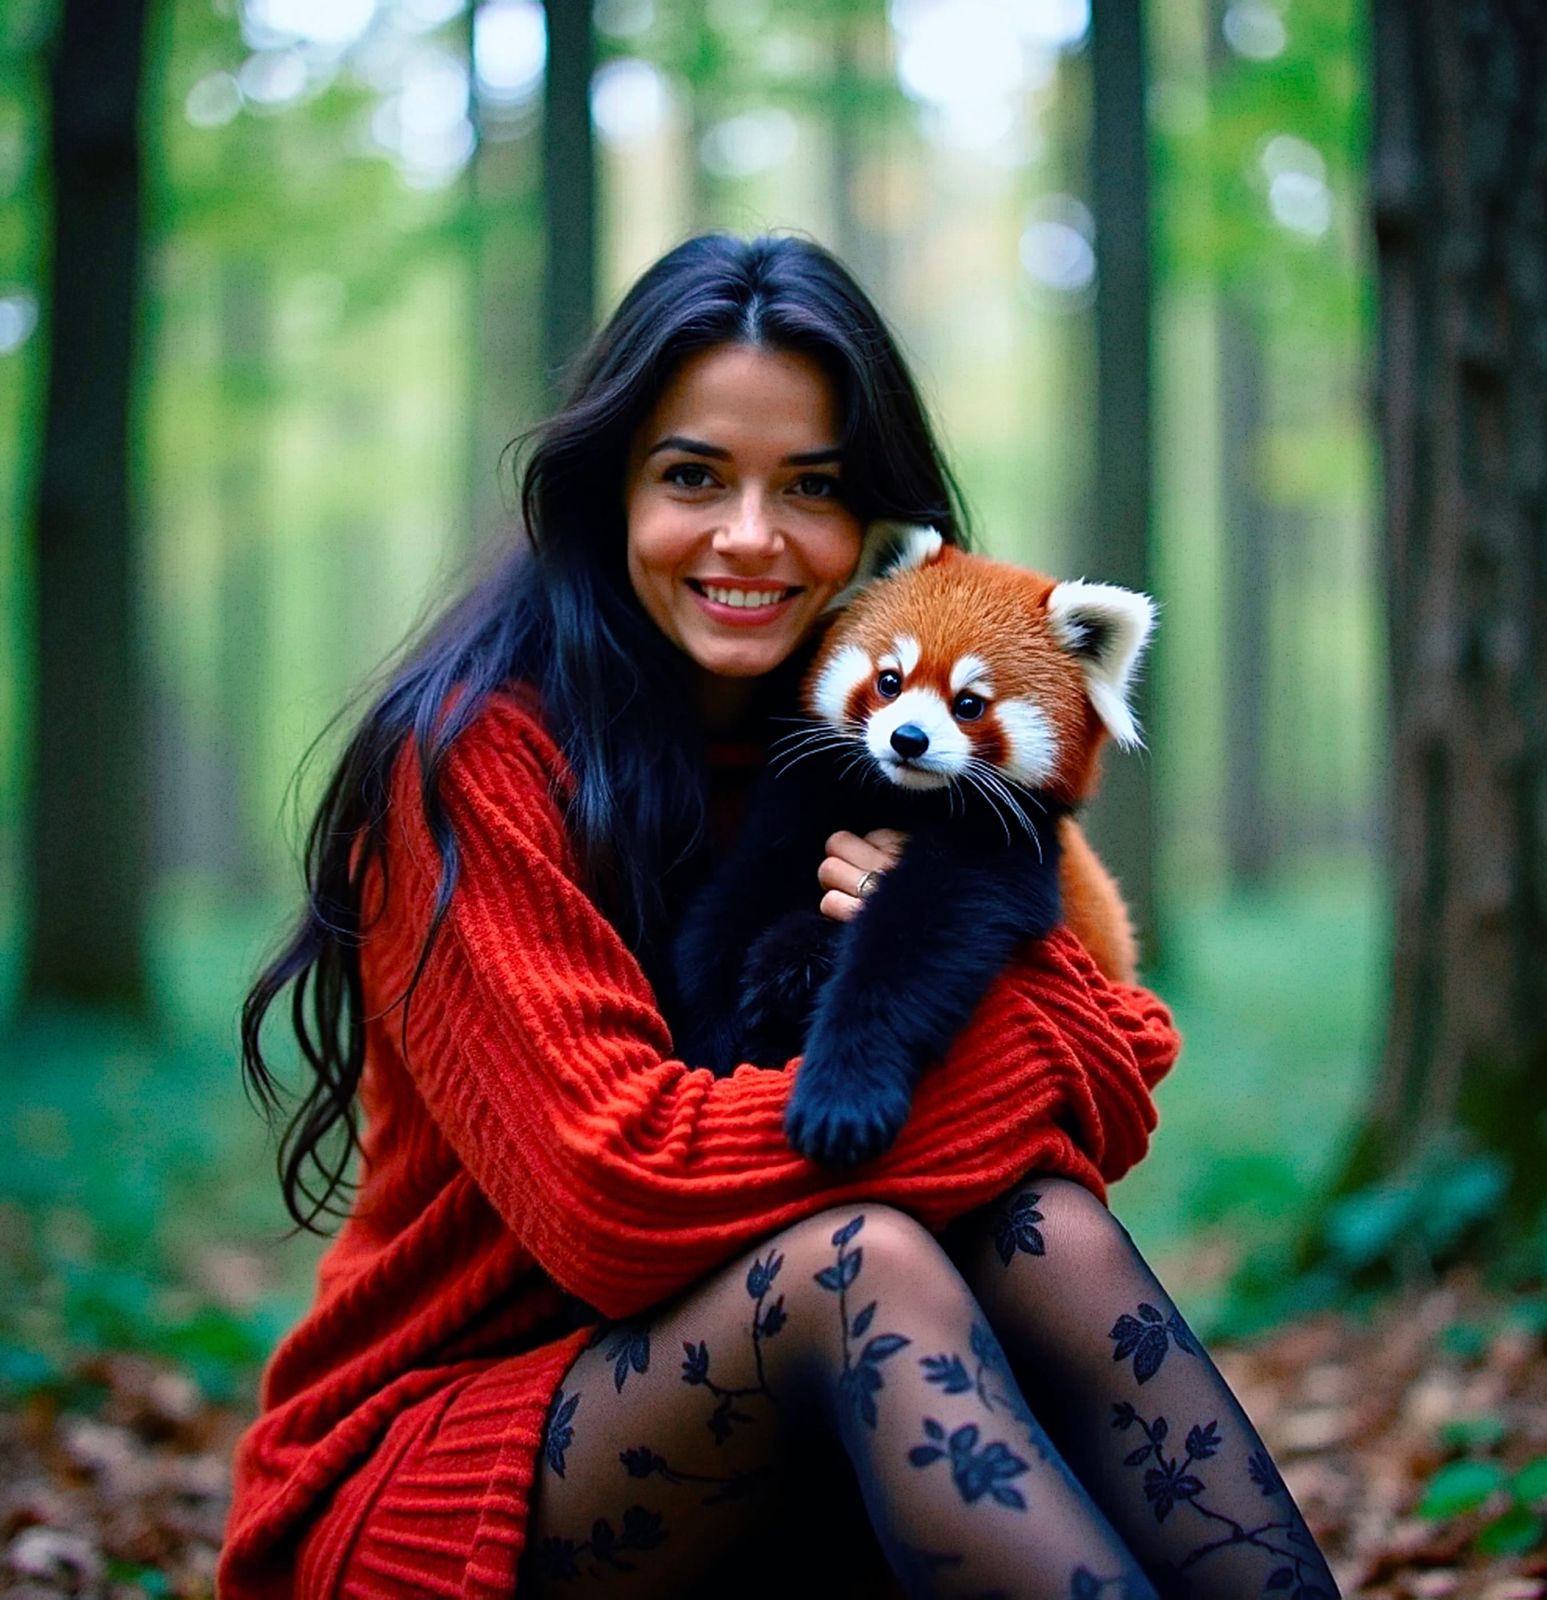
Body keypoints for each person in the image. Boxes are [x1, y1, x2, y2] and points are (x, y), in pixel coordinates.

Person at [221, 234, 1338, 1599]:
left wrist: (1019, 1030)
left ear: (876, 536)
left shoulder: (878, 729)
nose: (750, 538)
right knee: (859, 1260)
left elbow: (1118, 1073)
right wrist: (1020, 1050)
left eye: (808, 488)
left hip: (753, 1410)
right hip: (449, 1467)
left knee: (1039, 1221)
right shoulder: (474, 761)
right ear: (608, 493)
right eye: (693, 475)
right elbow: (619, 1198)